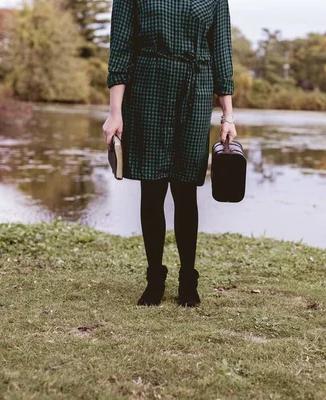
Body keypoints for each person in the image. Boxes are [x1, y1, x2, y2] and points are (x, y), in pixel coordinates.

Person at [102, 0, 237, 307]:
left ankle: (188, 279)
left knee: (186, 189)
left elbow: (221, 51)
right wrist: (115, 112)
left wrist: (228, 115)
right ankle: (155, 279)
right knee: (152, 188)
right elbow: (120, 47)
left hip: (196, 88)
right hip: (148, 86)